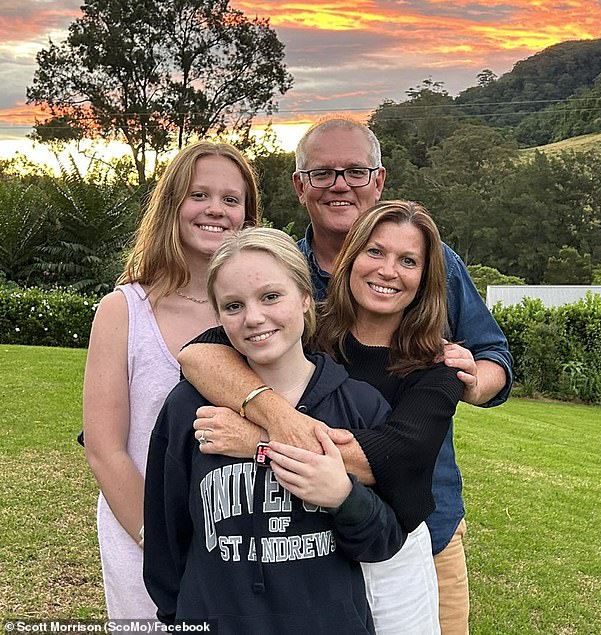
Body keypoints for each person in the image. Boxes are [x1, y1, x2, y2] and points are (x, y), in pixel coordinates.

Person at [179, 118, 513, 635]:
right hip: (305, 539)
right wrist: (275, 414)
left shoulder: (437, 341)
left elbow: (408, 449)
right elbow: (201, 354)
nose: (341, 184)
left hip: (417, 525)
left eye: (356, 171)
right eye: (324, 172)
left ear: (378, 180)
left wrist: (260, 440)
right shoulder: (287, 278)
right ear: (300, 185)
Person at [143, 227, 406, 631]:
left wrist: (343, 496)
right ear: (218, 316)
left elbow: (382, 541)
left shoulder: (359, 405)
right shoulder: (188, 408)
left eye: (271, 296)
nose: (254, 318)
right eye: (233, 306)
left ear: (304, 297)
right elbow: (167, 537)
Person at [82, 141, 259, 618]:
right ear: (171, 205)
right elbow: (105, 449)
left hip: (246, 544)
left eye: (230, 199)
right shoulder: (124, 311)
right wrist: (160, 544)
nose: (215, 211)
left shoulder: (263, 316)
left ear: (247, 214)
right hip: (146, 540)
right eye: (198, 194)